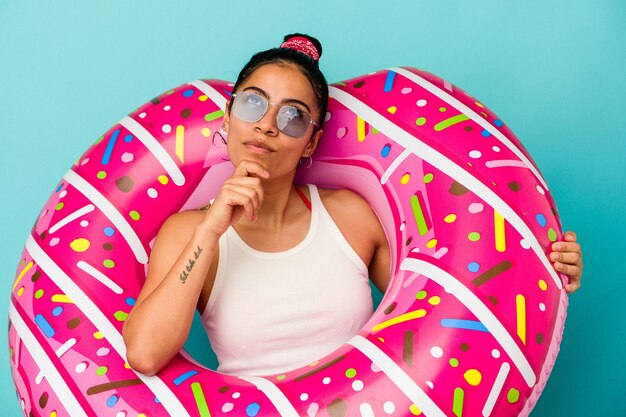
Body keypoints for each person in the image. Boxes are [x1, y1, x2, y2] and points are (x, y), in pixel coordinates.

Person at [122, 34, 584, 377]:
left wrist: (544, 267)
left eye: (291, 116)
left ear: (310, 143)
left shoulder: (349, 215)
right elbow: (144, 355)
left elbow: (441, 305)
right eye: (252, 104)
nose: (265, 126)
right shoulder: (187, 233)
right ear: (229, 116)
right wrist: (211, 229)